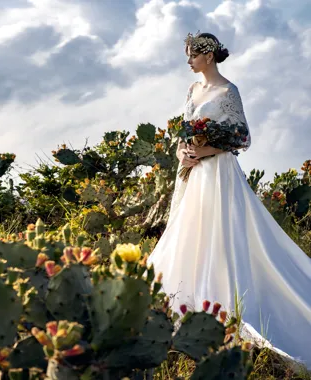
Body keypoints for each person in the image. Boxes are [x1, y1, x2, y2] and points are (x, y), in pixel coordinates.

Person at [147, 32, 311, 369]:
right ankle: (183, 308)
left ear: (208, 55)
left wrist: (205, 149)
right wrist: (183, 152)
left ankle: (226, 304)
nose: (189, 61)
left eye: (193, 55)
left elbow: (242, 136)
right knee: (189, 233)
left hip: (219, 173)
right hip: (194, 173)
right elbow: (184, 130)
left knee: (219, 233)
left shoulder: (228, 91)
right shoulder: (193, 90)